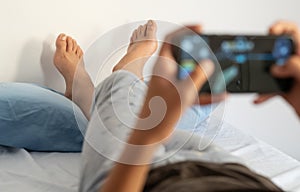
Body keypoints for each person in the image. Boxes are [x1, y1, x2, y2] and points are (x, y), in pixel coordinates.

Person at [79, 20, 300, 192]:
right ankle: (99, 103)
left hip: (142, 181)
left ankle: (124, 70)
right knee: (167, 119)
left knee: (119, 89)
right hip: (230, 174)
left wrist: (147, 136)